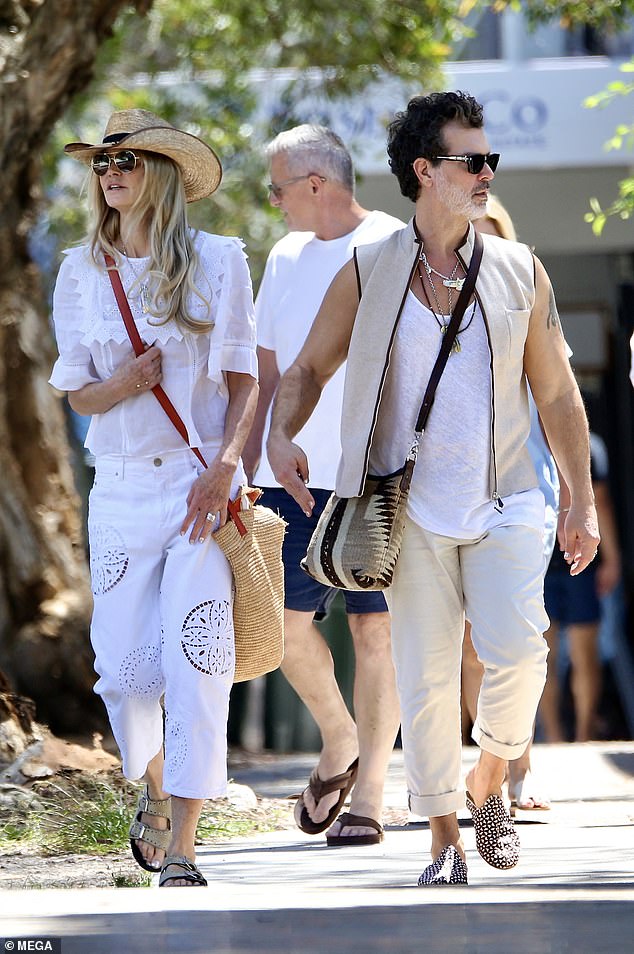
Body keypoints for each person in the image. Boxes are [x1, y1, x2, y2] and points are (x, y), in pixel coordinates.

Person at [266, 91, 599, 886]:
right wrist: (281, 431)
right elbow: (309, 366)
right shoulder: (371, 267)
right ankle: (444, 835)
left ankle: (490, 777)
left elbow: (557, 393)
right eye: (470, 160)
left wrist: (580, 501)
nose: (487, 173)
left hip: (509, 497)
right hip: (405, 508)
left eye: (490, 160)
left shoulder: (519, 268)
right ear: (425, 172)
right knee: (425, 671)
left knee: (520, 653)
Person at [49, 109, 258, 887]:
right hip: (122, 491)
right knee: (124, 672)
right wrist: (124, 383)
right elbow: (79, 398)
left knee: (195, 661)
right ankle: (158, 791)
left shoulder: (218, 260)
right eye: (104, 164)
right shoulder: (80, 269)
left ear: (161, 175)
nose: (112, 175)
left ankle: (186, 848)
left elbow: (245, 379)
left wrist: (227, 465)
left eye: (128, 163)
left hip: (199, 484)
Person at [242, 125, 403, 846]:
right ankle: (341, 740)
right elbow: (268, 371)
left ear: (315, 185)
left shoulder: (397, 243)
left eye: (277, 188)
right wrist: (248, 467)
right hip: (289, 476)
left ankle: (368, 794)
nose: (271, 201)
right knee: (281, 629)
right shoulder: (283, 256)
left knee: (378, 630)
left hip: (380, 480)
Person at [461, 195, 556, 811]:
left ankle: (513, 763)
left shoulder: (522, 290)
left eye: (491, 233)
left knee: (518, 636)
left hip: (522, 483)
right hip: (450, 488)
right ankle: (491, 761)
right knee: (470, 640)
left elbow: (553, 392)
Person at [539, 431, 621, 742]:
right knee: (573, 655)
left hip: (560, 560)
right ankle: (570, 735)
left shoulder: (587, 445)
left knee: (553, 656)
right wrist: (613, 560)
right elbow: (601, 504)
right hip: (563, 560)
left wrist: (612, 559)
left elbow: (601, 503)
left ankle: (567, 735)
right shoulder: (587, 443)